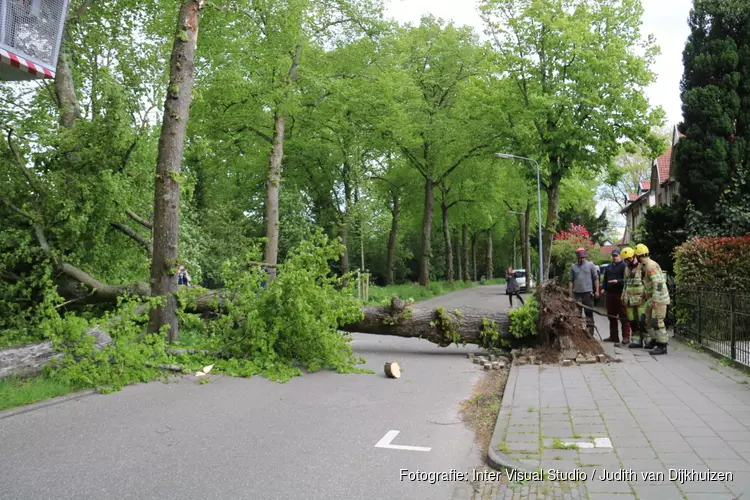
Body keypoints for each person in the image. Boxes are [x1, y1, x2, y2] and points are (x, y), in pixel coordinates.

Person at [635, 243, 670, 355]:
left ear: (638, 256)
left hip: (658, 299)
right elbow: (648, 284)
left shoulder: (651, 266)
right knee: (648, 321)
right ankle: (655, 340)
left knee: (657, 322)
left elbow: (658, 283)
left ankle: (662, 345)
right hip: (651, 299)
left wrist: (655, 299)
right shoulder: (644, 265)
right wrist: (644, 296)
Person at [599, 248, 630, 344]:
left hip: (620, 294)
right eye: (613, 256)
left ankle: (626, 337)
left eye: (616, 256)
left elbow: (627, 280)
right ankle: (613, 336)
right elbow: (605, 279)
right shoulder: (609, 267)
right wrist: (603, 288)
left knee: (623, 316)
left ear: (620, 256)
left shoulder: (624, 266)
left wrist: (618, 281)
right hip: (610, 294)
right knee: (611, 316)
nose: (615, 257)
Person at [569, 248, 599, 338]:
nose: (582, 259)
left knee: (588, 313)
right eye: (580, 257)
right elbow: (571, 280)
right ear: (578, 257)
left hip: (587, 293)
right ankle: (578, 334)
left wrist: (597, 291)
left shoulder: (590, 265)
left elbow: (595, 278)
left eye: (583, 257)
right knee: (576, 314)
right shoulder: (573, 267)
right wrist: (570, 293)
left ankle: (590, 333)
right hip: (577, 293)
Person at [620, 247, 646, 348]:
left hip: (640, 299)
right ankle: (636, 341)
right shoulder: (626, 269)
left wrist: (645, 296)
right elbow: (625, 284)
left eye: (629, 258)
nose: (628, 261)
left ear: (634, 256)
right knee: (632, 320)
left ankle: (647, 341)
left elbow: (646, 283)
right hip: (629, 300)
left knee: (642, 320)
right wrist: (623, 297)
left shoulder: (641, 267)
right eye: (626, 260)